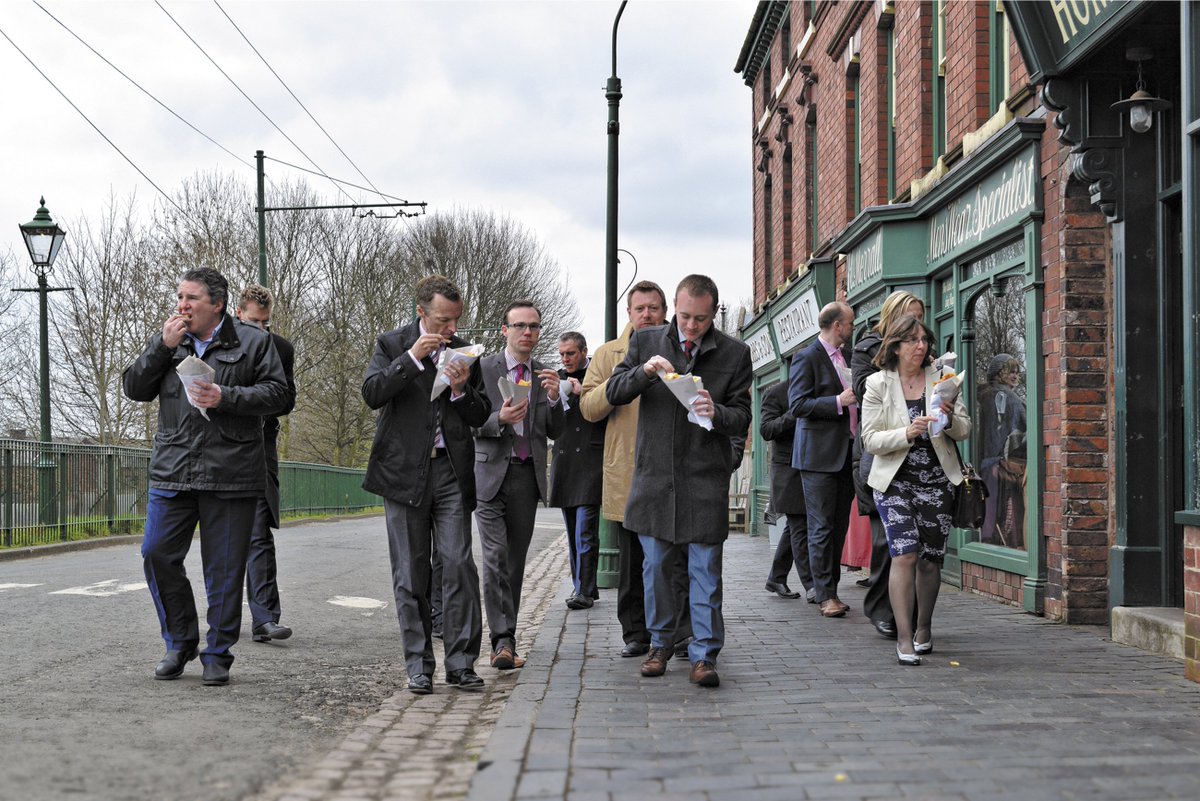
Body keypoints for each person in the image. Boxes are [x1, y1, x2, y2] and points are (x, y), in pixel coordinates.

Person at [123, 267, 290, 686]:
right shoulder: (169, 343)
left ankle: (218, 652)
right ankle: (179, 642)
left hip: (231, 472)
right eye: (180, 297)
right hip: (173, 470)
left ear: (216, 304)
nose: (182, 305)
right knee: (157, 553)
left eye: (191, 298)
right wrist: (161, 348)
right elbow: (135, 388)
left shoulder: (254, 342)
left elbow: (280, 394)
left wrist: (226, 397)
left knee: (225, 569)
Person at [606, 274, 753, 688]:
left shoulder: (735, 353)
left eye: (702, 319)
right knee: (655, 569)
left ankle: (705, 655)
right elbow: (613, 391)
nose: (691, 326)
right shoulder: (646, 342)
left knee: (705, 570)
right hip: (654, 477)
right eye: (686, 317)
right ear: (675, 307)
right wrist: (645, 373)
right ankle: (659, 644)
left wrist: (717, 411)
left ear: (713, 313)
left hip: (703, 477)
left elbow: (743, 416)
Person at [361, 274, 490, 694]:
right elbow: (372, 393)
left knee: (457, 564)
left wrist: (459, 390)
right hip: (402, 474)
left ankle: (461, 663)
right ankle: (418, 665)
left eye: (455, 319)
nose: (451, 328)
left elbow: (480, 413)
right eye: (442, 320)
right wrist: (412, 359)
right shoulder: (391, 344)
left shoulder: (466, 352)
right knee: (410, 574)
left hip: (451, 472)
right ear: (421, 313)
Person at [579, 281, 692, 659]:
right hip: (627, 467)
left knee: (674, 558)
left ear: (666, 311)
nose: (647, 315)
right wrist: (623, 380)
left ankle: (679, 631)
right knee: (632, 560)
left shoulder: (679, 346)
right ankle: (636, 633)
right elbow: (589, 407)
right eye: (639, 308)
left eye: (654, 308)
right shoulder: (608, 353)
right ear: (628, 312)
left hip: (672, 469)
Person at [860, 315, 971, 665]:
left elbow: (965, 429)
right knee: (904, 554)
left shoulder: (943, 379)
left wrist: (949, 419)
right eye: (911, 340)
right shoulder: (878, 384)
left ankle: (924, 627)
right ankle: (904, 638)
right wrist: (907, 432)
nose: (920, 346)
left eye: (924, 340)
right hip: (894, 482)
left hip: (938, 481)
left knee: (929, 561)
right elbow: (870, 438)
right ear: (894, 346)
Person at [473, 300, 565, 671]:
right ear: (504, 330)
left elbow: (555, 432)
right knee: (494, 558)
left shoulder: (545, 374)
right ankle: (501, 642)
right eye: (520, 326)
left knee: (514, 562)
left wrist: (558, 399)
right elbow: (465, 422)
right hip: (490, 474)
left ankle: (507, 636)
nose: (528, 332)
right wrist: (499, 418)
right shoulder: (481, 369)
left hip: (527, 478)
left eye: (534, 327)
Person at [850, 290, 925, 639]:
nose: (917, 327)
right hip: (880, 460)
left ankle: (906, 616)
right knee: (887, 544)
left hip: (923, 464)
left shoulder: (925, 353)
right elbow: (867, 395)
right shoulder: (867, 350)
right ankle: (882, 611)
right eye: (909, 316)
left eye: (921, 317)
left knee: (914, 548)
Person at [234, 284, 297, 645]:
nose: (261, 329)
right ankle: (222, 617)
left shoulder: (281, 348)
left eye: (266, 323)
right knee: (223, 537)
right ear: (239, 313)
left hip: (260, 445)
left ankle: (264, 619)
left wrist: (257, 401)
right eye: (254, 321)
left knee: (258, 532)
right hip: (219, 448)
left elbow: (287, 399)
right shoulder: (221, 344)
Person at [788, 301, 857, 619]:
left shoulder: (847, 357)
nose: (853, 328)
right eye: (850, 323)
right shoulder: (807, 357)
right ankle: (824, 595)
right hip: (817, 458)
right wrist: (837, 402)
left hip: (846, 455)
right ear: (837, 325)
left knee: (839, 527)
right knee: (820, 527)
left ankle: (833, 590)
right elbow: (798, 404)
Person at [549, 331, 605, 610]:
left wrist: (584, 393)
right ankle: (584, 586)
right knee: (572, 532)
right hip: (564, 460)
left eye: (570, 353)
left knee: (585, 530)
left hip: (591, 462)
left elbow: (608, 409)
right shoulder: (555, 378)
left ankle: (583, 589)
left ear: (584, 351)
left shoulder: (597, 374)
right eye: (562, 354)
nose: (565, 359)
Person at [759, 381, 812, 602]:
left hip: (812, 466)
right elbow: (767, 430)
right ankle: (813, 585)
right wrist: (795, 413)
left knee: (794, 526)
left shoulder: (817, 392)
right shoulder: (776, 393)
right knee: (799, 524)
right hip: (787, 470)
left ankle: (776, 577)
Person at [977, 354, 1027, 548]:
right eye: (1010, 372)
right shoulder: (1007, 397)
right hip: (1003, 465)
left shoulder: (985, 397)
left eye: (1017, 372)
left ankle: (989, 543)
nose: (1015, 376)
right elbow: (1024, 427)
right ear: (999, 373)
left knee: (990, 512)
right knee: (1007, 513)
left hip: (986, 463)